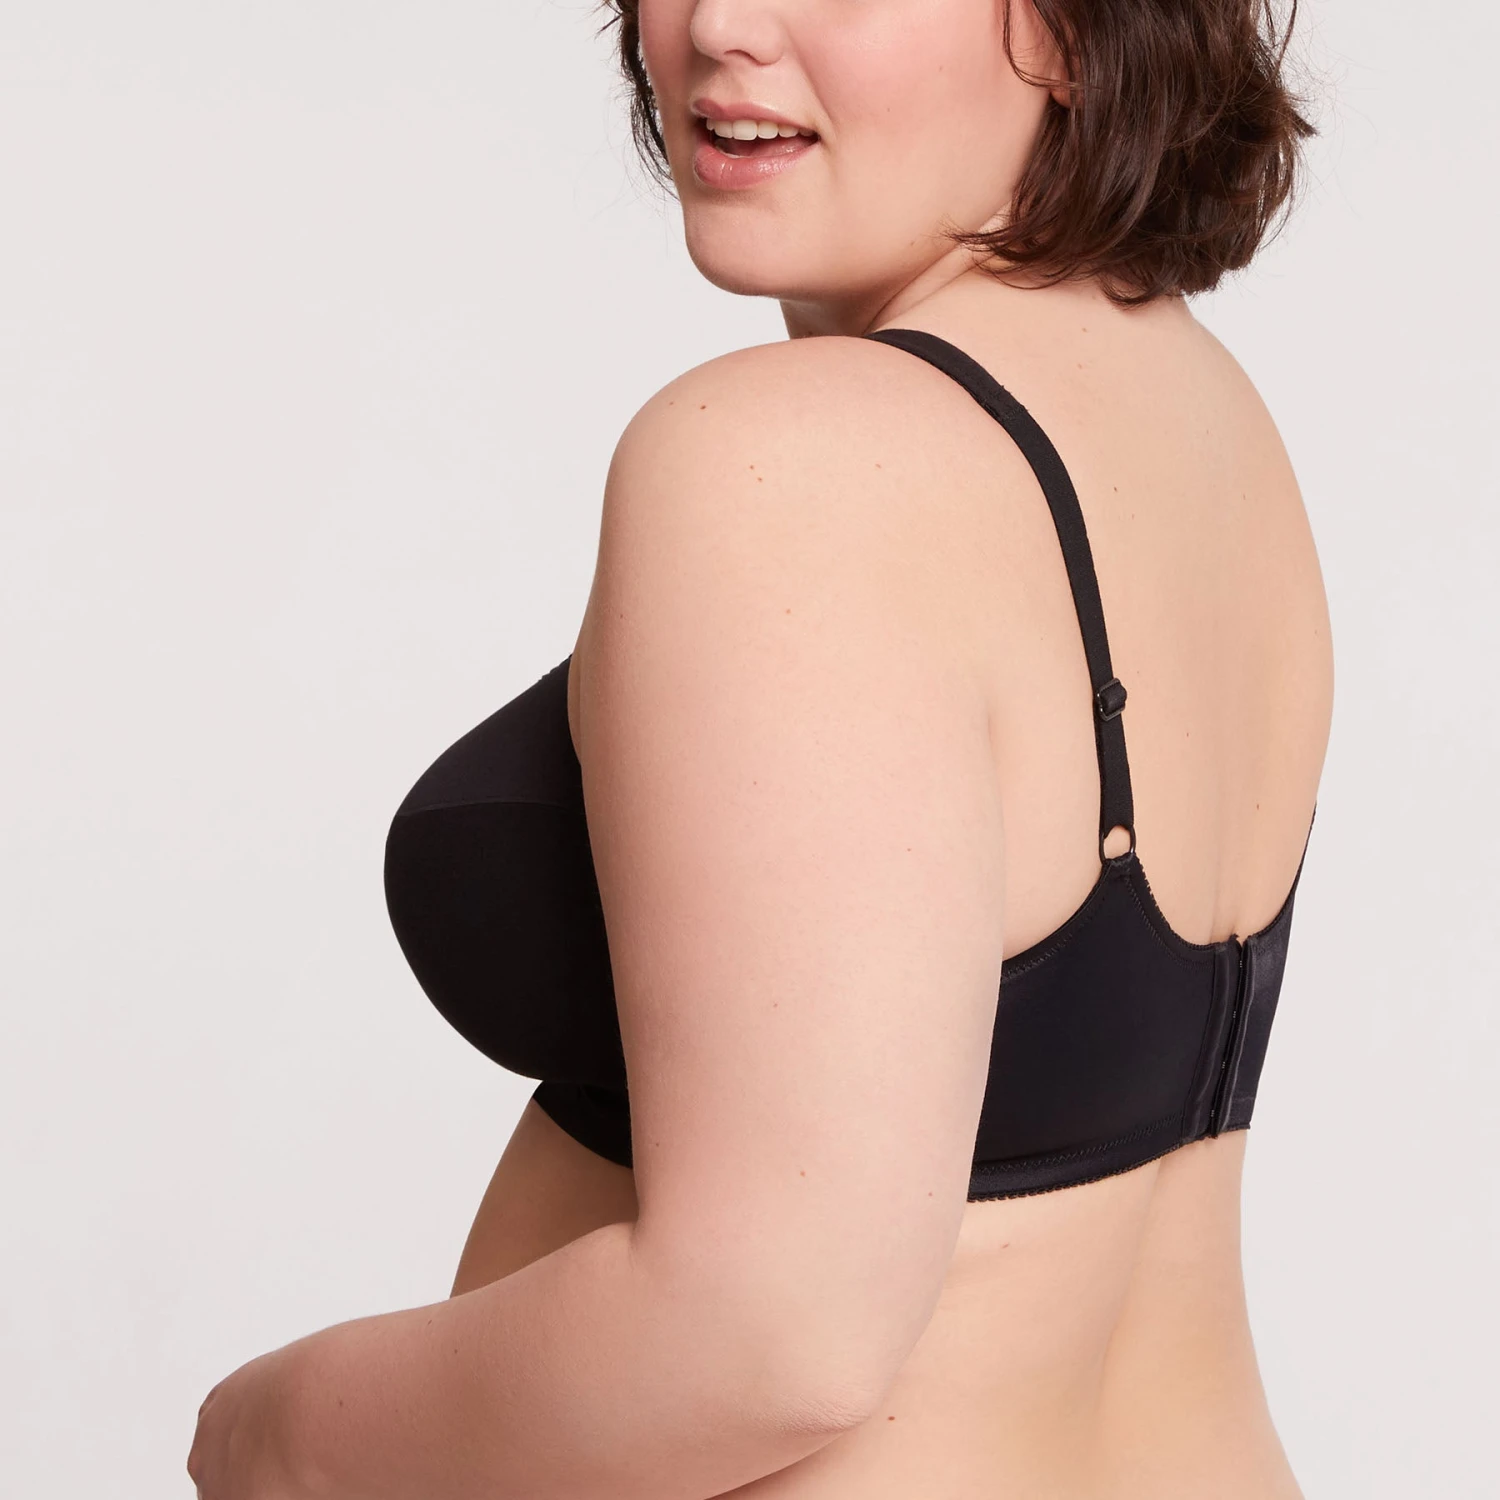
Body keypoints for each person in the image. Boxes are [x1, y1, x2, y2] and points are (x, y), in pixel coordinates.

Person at [188, 1, 1330, 1496]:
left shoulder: (792, 462)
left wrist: (276, 1439)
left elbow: (771, 1332)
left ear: (1073, 28)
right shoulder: (1192, 411)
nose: (721, 23)